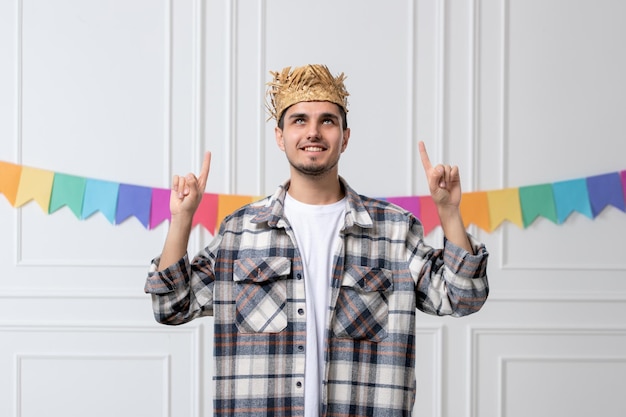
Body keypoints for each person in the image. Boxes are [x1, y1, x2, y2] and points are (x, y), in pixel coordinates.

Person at [145, 64, 489, 417]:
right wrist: (182, 219)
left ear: (345, 136)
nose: (313, 132)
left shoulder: (394, 230)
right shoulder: (239, 231)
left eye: (327, 120)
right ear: (280, 136)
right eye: (299, 120)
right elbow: (170, 305)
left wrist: (448, 211)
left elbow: (462, 297)